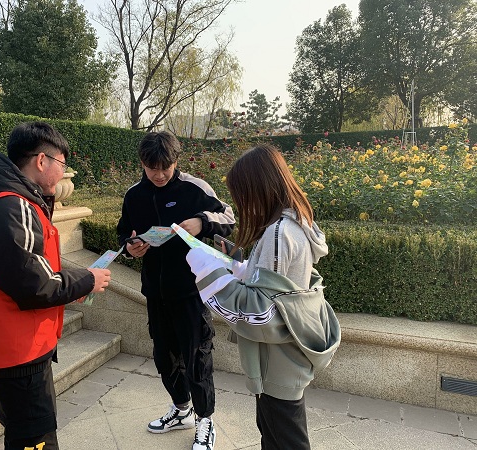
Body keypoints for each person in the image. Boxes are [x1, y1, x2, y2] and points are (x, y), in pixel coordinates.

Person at [185, 144, 341, 450]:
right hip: (287, 355)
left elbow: (262, 310)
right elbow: (280, 285)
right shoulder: (297, 223)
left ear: (258, 189)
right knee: (277, 433)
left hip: (277, 359)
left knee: (284, 438)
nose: (242, 204)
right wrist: (240, 265)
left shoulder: (278, 233)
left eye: (242, 195)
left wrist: (207, 269)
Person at [0, 121, 111, 450]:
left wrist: (75, 287)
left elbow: (33, 272)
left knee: (26, 436)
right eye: (62, 163)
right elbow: (32, 283)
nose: (64, 172)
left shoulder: (17, 202)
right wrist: (87, 279)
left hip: (18, 349)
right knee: (36, 441)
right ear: (42, 161)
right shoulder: (12, 205)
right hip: (17, 354)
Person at [117, 131, 235, 450]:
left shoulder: (195, 188)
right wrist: (131, 247)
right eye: (151, 168)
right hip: (155, 293)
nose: (158, 174)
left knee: (197, 356)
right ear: (142, 163)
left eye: (165, 167)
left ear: (176, 161)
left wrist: (201, 221)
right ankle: (182, 409)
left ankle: (205, 419)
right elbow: (123, 233)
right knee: (164, 356)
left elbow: (229, 218)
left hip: (191, 292)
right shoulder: (134, 195)